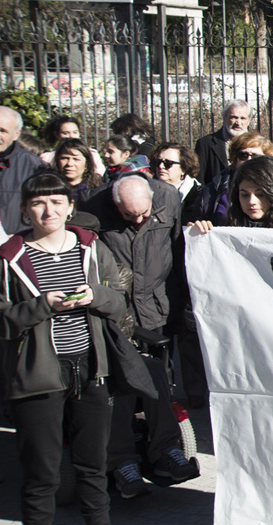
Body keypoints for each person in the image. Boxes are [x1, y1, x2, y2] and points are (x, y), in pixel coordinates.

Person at [0, 171, 144, 525]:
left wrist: (95, 296)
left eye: (57, 202)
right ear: (25, 210)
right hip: (37, 375)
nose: (49, 211)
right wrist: (41, 306)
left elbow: (118, 301)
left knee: (93, 460)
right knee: (41, 472)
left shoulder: (90, 248)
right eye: (39, 203)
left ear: (70, 207)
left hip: (89, 368)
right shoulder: (6, 259)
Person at [82, 174, 198, 498]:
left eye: (143, 213)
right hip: (108, 320)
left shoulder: (168, 198)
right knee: (122, 381)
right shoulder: (94, 219)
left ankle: (165, 450)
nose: (137, 220)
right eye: (129, 215)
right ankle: (122, 461)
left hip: (150, 310)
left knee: (156, 371)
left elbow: (177, 250)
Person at [189, 156, 273, 232]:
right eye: (244, 195)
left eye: (260, 194)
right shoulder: (227, 227)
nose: (251, 202)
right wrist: (199, 232)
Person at [193, 132, 273, 223]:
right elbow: (196, 221)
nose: (249, 160)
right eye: (243, 155)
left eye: (255, 156)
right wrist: (200, 225)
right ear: (235, 158)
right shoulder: (212, 191)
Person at [194, 101, 252, 181]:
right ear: (224, 118)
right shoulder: (205, 143)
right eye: (234, 117)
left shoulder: (257, 145)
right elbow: (198, 179)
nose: (238, 122)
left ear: (248, 120)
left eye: (242, 118)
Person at [153, 141, 203, 223]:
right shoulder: (146, 190)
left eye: (168, 163)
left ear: (184, 168)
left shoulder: (198, 196)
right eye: (158, 162)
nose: (161, 166)